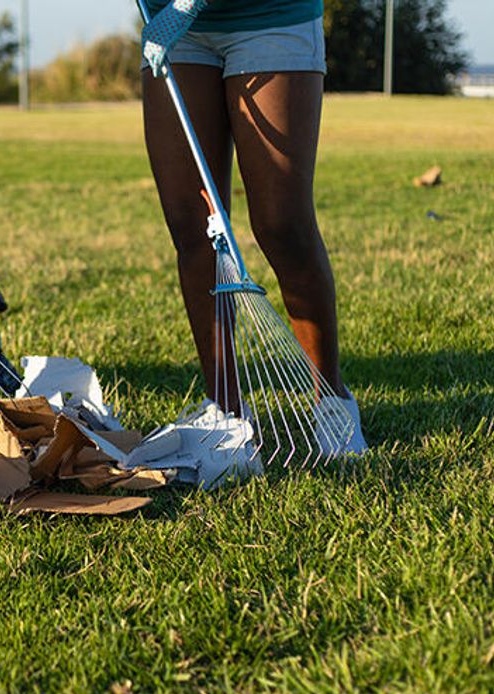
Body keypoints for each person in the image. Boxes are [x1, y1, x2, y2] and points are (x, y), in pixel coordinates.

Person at [140, 0, 368, 460]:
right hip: (174, 30)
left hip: (271, 18)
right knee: (194, 226)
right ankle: (225, 408)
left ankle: (331, 401)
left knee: (282, 224)